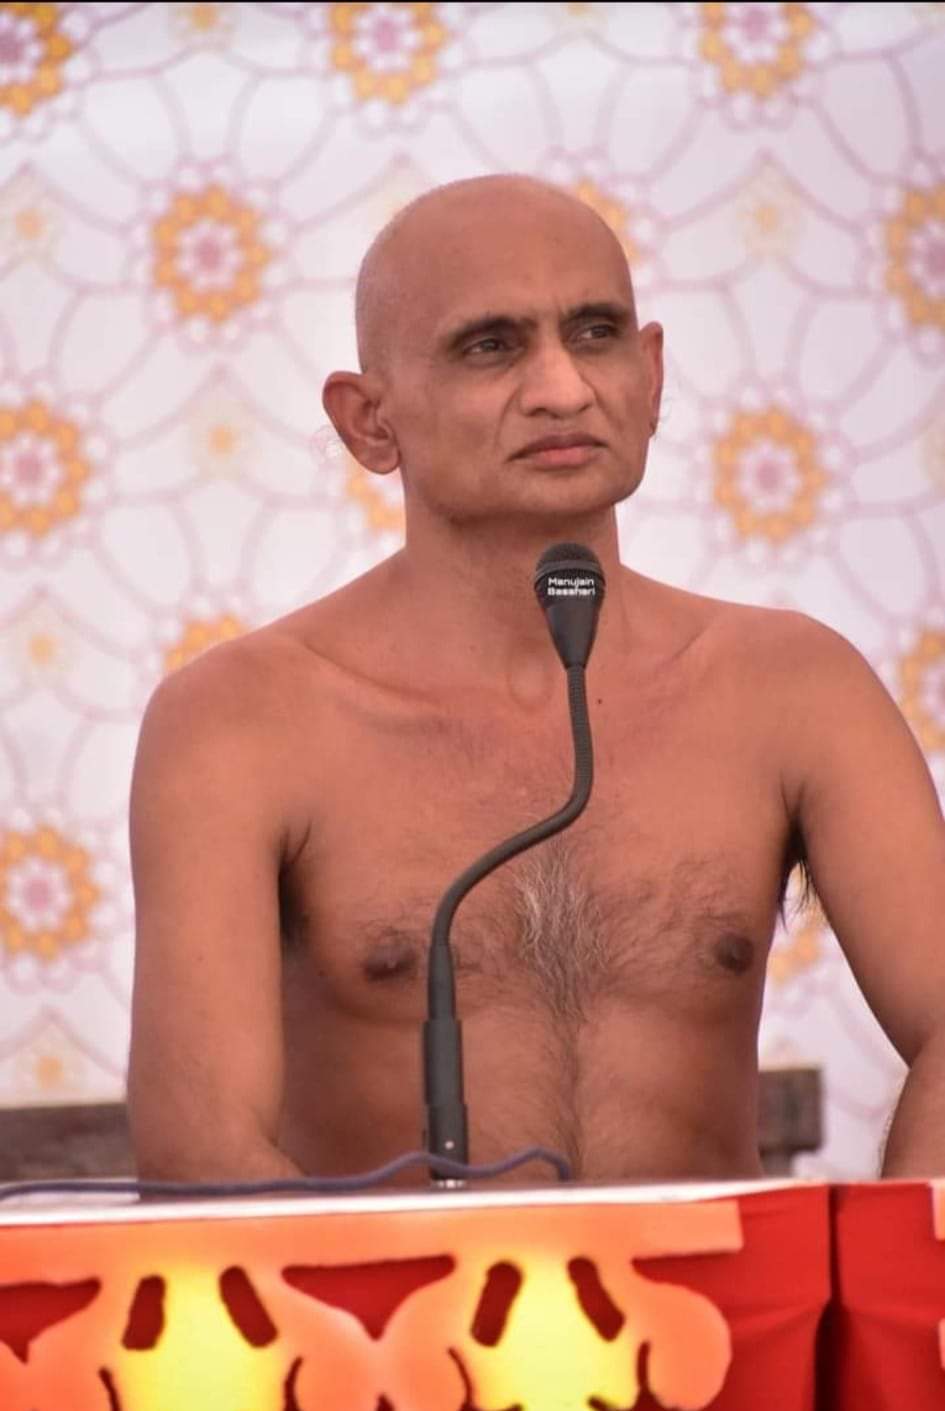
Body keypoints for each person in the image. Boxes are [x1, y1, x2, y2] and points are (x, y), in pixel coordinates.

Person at [127, 174, 945, 1185]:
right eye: (492, 346)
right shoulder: (238, 722)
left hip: (726, 1290)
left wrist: (896, 1267)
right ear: (369, 422)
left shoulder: (797, 688)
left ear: (651, 374)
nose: (563, 388)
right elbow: (200, 1151)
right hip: (389, 1293)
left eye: (596, 334)